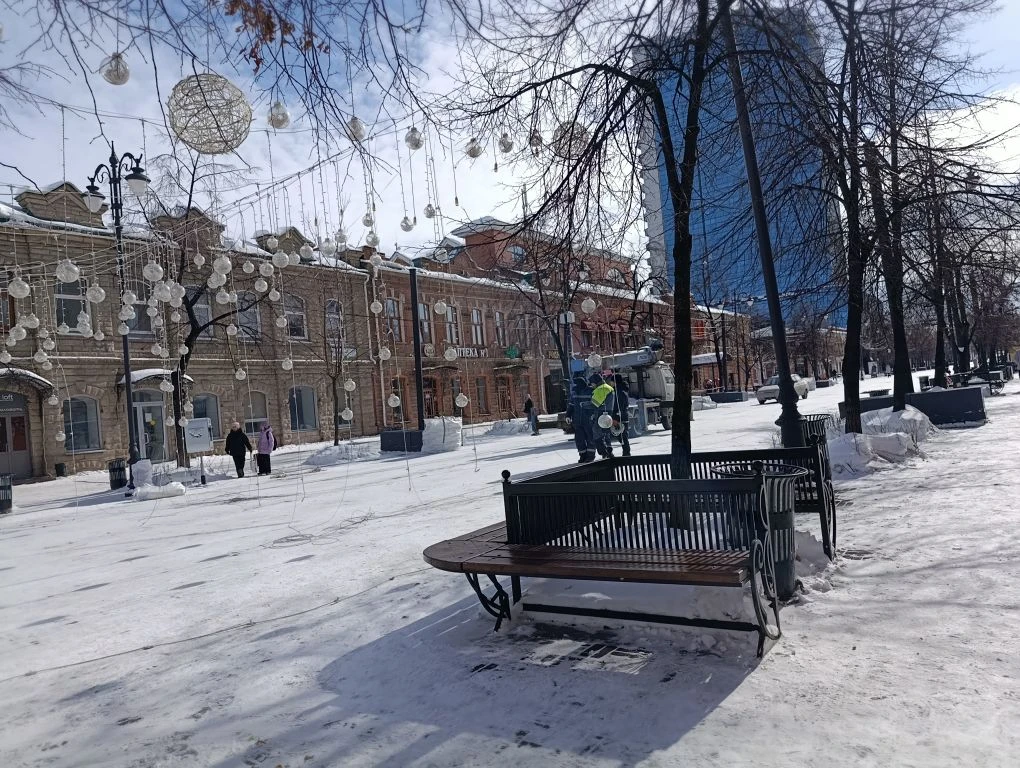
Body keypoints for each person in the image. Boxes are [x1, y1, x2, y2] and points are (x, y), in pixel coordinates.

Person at [565, 373, 596, 463]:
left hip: (588, 419)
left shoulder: (590, 391)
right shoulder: (574, 392)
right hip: (577, 420)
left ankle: (590, 456)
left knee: (590, 438)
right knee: (579, 440)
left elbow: (594, 404)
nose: (575, 386)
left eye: (577, 384)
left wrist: (594, 415)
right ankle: (583, 455)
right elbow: (571, 405)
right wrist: (568, 415)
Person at [590, 372, 616, 459]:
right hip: (609, 413)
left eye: (592, 383)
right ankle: (609, 451)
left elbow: (595, 404)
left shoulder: (601, 389)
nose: (592, 385)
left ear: (595, 382)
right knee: (606, 433)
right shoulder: (608, 387)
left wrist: (583, 405)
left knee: (597, 432)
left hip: (601, 414)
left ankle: (603, 452)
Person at [611, 372, 632, 457]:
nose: (610, 383)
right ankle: (626, 452)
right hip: (622, 416)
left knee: (622, 436)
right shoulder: (621, 390)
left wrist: (615, 417)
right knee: (622, 435)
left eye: (612, 381)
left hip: (620, 417)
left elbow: (619, 406)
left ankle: (626, 453)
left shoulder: (619, 392)